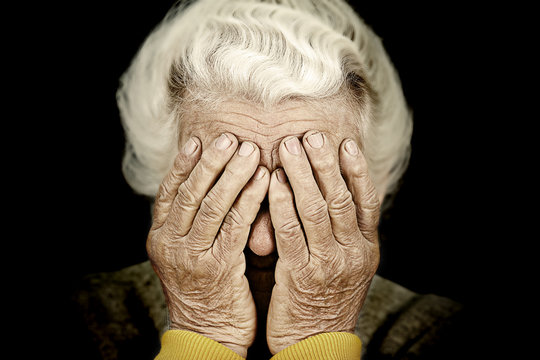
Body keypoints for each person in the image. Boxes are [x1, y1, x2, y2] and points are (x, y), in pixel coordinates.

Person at [73, 0, 464, 359]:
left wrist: (319, 334)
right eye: (225, 188)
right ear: (167, 181)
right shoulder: (84, 319)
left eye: (306, 187)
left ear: (368, 187)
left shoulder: (438, 333)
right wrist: (202, 329)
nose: (262, 243)